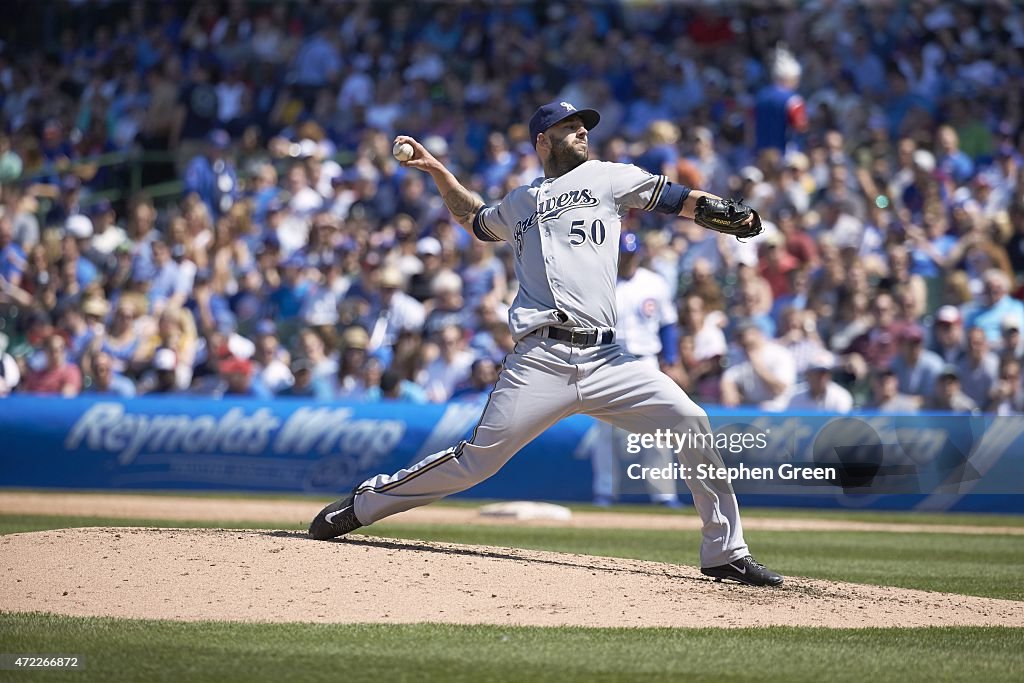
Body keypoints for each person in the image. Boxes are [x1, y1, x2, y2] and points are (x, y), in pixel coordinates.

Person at [309, 100, 783, 587]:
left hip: (607, 358)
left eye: (583, 127)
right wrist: (436, 170)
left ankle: (725, 551)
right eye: (570, 127)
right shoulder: (519, 201)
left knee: (691, 421)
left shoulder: (608, 176)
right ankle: (364, 504)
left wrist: (716, 212)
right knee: (476, 462)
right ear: (542, 140)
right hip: (541, 358)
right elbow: (474, 219)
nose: (582, 133)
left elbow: (678, 198)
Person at [591, 232, 682, 508]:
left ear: (639, 254)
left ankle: (663, 494)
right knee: (605, 430)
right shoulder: (600, 282)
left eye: (632, 254)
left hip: (645, 359)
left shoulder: (654, 283)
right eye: (623, 254)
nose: (628, 259)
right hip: (609, 358)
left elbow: (668, 323)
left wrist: (670, 355)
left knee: (658, 428)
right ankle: (605, 491)